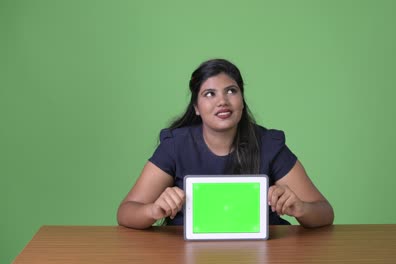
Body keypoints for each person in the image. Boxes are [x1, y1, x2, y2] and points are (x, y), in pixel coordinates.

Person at [117, 59, 334, 229]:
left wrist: (300, 208)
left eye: (231, 91)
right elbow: (126, 212)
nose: (222, 101)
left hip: (265, 252)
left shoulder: (268, 144)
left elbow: (325, 212)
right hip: (187, 253)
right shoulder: (176, 145)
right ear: (196, 107)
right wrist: (153, 211)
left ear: (242, 98)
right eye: (209, 94)